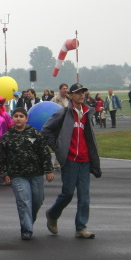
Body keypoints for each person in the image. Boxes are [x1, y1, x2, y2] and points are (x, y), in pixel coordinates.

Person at [42, 83, 101, 239]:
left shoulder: (87, 112)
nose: (81, 95)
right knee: (67, 193)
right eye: (78, 92)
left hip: (85, 160)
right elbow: (46, 130)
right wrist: (58, 147)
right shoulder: (63, 113)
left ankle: (81, 227)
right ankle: (52, 214)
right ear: (70, 95)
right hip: (70, 160)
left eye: (83, 92)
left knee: (84, 196)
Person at [0, 107, 54, 240]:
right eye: (16, 116)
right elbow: (1, 158)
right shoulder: (7, 137)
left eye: (21, 116)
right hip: (17, 175)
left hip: (36, 173)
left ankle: (29, 221)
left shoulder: (35, 133)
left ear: (26, 119)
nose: (18, 119)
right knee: (24, 201)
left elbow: (44, 153)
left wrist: (48, 170)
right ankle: (27, 230)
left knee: (37, 200)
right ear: (13, 118)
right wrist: (5, 173)